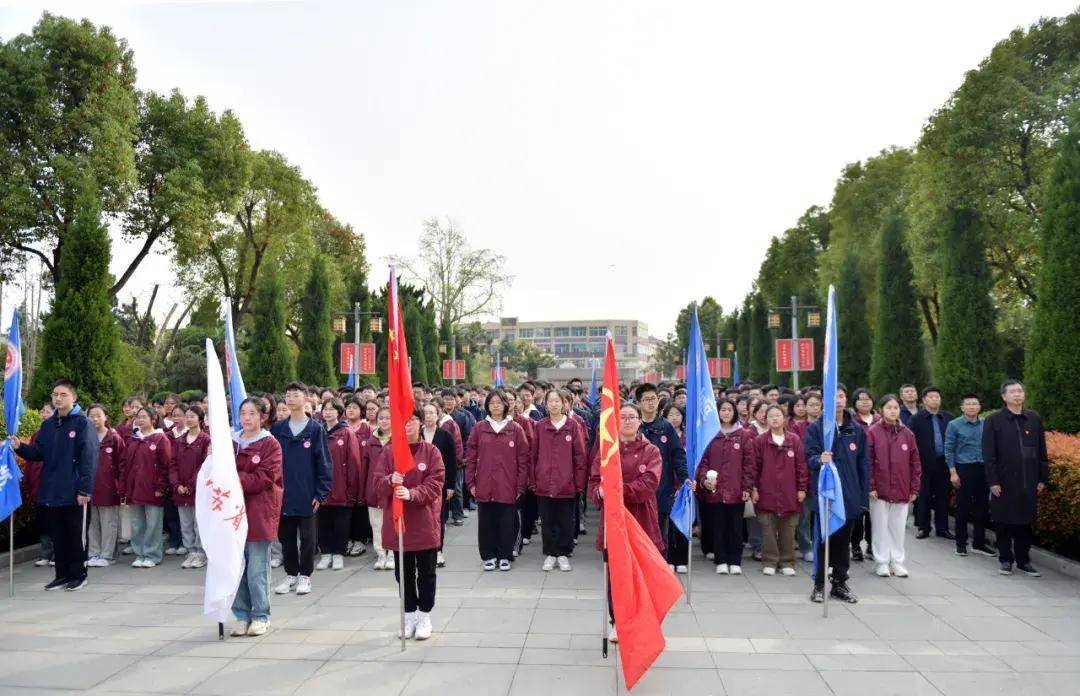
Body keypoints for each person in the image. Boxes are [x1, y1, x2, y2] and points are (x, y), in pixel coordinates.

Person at [589, 401, 663, 643]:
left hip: (640, 519)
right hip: (613, 521)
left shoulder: (650, 451)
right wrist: (600, 492)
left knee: (641, 574)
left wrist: (616, 491)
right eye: (623, 417)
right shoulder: (606, 450)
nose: (628, 421)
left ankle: (642, 620)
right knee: (616, 575)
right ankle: (616, 622)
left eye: (632, 416)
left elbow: (648, 485)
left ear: (640, 420)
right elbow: (594, 482)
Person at [374, 407, 445, 641]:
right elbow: (377, 483)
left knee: (426, 573)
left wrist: (412, 494)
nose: (409, 424)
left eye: (413, 420)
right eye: (404, 420)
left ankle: (425, 615)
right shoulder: (389, 452)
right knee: (403, 573)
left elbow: (436, 484)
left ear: (421, 423)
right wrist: (389, 480)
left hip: (423, 523)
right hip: (399, 524)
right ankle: (409, 615)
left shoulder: (431, 452)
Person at [804, 384, 869, 604]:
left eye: (841, 396)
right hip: (826, 496)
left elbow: (863, 465)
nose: (838, 401)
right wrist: (818, 460)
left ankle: (840, 583)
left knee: (843, 543)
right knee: (823, 541)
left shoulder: (856, 429)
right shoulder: (817, 428)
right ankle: (819, 584)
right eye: (833, 397)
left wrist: (862, 498)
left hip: (849, 495)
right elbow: (809, 458)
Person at [270, 382, 332, 596]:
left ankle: (305, 576)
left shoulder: (315, 429)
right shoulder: (278, 429)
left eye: (295, 395)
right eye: (287, 395)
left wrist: (321, 493)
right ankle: (291, 575)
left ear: (306, 399)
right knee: (285, 537)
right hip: (283, 494)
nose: (290, 398)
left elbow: (324, 462)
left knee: (308, 538)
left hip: (307, 493)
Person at [982, 380, 1049, 577]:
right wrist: (993, 481)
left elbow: (1042, 451)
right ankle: (1005, 559)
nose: (1017, 395)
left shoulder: (1033, 419)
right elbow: (989, 454)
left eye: (1020, 391)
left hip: (1029, 480)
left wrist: (1042, 478)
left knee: (1025, 522)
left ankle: (1023, 560)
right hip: (1004, 481)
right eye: (1013, 392)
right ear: (1004, 396)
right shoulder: (994, 420)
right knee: (1003, 522)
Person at [230, 398, 284, 637]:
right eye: (243, 413)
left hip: (259, 511)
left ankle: (261, 615)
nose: (247, 418)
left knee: (256, 568)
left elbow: (265, 478)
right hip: (232, 512)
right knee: (236, 566)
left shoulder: (270, 444)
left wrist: (234, 479)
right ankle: (241, 614)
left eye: (252, 413)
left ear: (262, 416)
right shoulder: (231, 442)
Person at [464, 390, 529, 571]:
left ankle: (504, 555)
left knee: (507, 523)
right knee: (486, 522)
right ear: (487, 406)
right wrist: (471, 483)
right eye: (492, 403)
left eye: (499, 402)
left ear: (505, 405)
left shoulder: (515, 428)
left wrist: (520, 485)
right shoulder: (480, 427)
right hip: (484, 484)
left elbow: (524, 459)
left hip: (508, 485)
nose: (495, 406)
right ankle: (488, 555)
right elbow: (470, 457)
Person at [530, 388, 586, 572]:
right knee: (547, 520)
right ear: (545, 404)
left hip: (566, 483)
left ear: (564, 404)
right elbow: (534, 455)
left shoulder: (572, 426)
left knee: (565, 520)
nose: (554, 404)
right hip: (544, 482)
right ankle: (550, 553)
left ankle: (563, 553)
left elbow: (579, 457)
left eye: (557, 401)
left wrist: (579, 483)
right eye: (550, 401)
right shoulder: (540, 426)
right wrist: (534, 478)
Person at [635, 383, 689, 573]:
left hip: (661, 489)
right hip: (636, 491)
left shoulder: (665, 426)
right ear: (638, 402)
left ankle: (657, 568)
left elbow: (677, 455)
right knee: (638, 531)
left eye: (654, 399)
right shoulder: (634, 425)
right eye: (646, 400)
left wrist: (685, 478)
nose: (651, 403)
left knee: (658, 531)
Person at [866, 395, 921, 578]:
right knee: (880, 526)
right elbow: (867, 461)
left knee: (898, 527)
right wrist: (871, 485)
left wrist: (914, 487)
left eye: (896, 408)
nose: (892, 411)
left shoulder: (907, 433)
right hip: (879, 489)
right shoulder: (873, 432)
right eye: (889, 407)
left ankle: (897, 561)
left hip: (902, 488)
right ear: (882, 410)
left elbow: (915, 462)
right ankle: (881, 561)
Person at [697, 399, 753, 575]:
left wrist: (747, 487)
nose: (726, 413)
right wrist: (705, 478)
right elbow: (703, 462)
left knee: (736, 526)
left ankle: (735, 560)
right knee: (718, 526)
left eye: (729, 410)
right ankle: (720, 559)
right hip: (716, 490)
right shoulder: (710, 434)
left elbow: (749, 464)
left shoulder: (743, 435)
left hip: (737, 490)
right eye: (723, 409)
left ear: (734, 412)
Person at [752, 404, 808, 576]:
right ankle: (769, 561)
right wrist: (753, 488)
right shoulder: (760, 441)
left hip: (790, 492)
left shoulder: (794, 440)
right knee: (768, 528)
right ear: (766, 419)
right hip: (766, 491)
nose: (775, 418)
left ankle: (787, 561)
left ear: (784, 418)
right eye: (771, 416)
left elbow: (801, 466)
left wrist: (802, 488)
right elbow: (754, 467)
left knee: (788, 529)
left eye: (778, 415)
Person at [119, 406, 172, 568]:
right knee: (137, 523)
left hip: (153, 489)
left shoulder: (160, 439)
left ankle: (152, 554)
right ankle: (139, 553)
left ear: (153, 419)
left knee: (153, 524)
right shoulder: (133, 439)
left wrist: (161, 487)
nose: (140, 420)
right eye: (138, 417)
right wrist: (125, 488)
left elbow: (166, 466)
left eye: (144, 417)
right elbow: (125, 465)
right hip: (135, 489)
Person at [945, 394, 994, 557]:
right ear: (962, 407)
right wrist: (953, 473)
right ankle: (961, 543)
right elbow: (949, 450)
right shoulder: (954, 425)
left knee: (982, 508)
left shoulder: (986, 424)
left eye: (975, 404)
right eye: (968, 404)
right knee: (963, 508)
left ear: (980, 407)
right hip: (963, 469)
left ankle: (979, 543)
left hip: (983, 469)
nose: (972, 406)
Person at [317, 398, 361, 571]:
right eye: (325, 409)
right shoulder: (318, 431)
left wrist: (351, 488)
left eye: (332, 409)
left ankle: (338, 554)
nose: (328, 412)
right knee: (323, 521)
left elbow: (354, 462)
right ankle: (326, 553)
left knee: (341, 522)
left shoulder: (346, 432)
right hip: (322, 487)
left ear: (339, 412)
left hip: (341, 486)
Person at [909, 386, 954, 540]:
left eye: (937, 397)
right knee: (924, 497)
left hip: (944, 464)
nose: (935, 399)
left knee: (943, 497)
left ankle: (942, 528)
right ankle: (924, 527)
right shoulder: (916, 419)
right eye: (931, 397)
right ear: (924, 400)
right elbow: (911, 442)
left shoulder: (948, 418)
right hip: (923, 464)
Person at [170, 405, 210, 569]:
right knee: (185, 522)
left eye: (192, 416)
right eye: (187, 416)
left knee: (198, 522)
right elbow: (172, 464)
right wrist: (177, 484)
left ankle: (201, 553)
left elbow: (205, 465)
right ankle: (190, 551)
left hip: (198, 489)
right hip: (181, 490)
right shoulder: (179, 441)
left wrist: (191, 484)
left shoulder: (206, 440)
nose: (188, 419)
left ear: (200, 419)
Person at [420, 401, 457, 568]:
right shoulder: (416, 434)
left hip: (438, 485)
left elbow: (451, 463)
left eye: (431, 413)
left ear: (438, 415)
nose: (428, 416)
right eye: (425, 413)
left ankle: (438, 550)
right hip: (418, 484)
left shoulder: (445, 435)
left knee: (437, 518)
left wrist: (450, 485)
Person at [86, 404, 124, 568]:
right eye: (91, 415)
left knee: (109, 523)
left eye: (98, 415)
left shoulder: (114, 438)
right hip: (89, 488)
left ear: (105, 417)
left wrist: (120, 487)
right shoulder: (86, 437)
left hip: (109, 488)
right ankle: (94, 553)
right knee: (92, 523)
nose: (94, 419)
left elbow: (123, 465)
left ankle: (108, 555)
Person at [363, 406, 393, 570]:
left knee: (392, 523)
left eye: (388, 418)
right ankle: (381, 554)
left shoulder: (398, 440)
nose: (384, 421)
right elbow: (365, 468)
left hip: (392, 489)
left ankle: (392, 554)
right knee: (377, 524)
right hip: (374, 489)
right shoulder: (371, 441)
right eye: (381, 418)